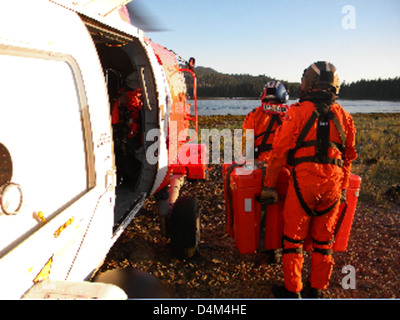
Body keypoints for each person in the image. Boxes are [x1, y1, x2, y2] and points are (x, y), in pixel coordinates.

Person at [260, 61, 357, 298]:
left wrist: (269, 186)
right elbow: (348, 157)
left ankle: (293, 290)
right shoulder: (344, 117)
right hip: (333, 185)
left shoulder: (296, 112)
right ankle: (317, 288)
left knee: (293, 239)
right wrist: (343, 187)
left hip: (304, 182)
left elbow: (279, 154)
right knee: (324, 241)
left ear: (309, 84)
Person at [242, 80, 290, 162]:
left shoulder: (255, 115)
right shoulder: (291, 114)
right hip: (285, 163)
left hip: (262, 161)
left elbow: (246, 145)